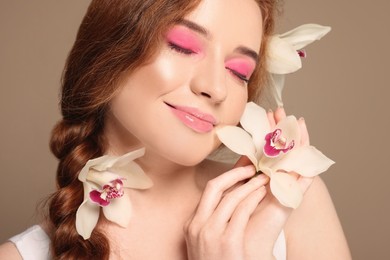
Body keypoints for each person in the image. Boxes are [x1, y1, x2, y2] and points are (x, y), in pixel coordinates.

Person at [0, 0, 351, 259]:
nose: (215, 87)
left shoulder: (290, 204)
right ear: (108, 52)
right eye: (183, 46)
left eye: (239, 71)